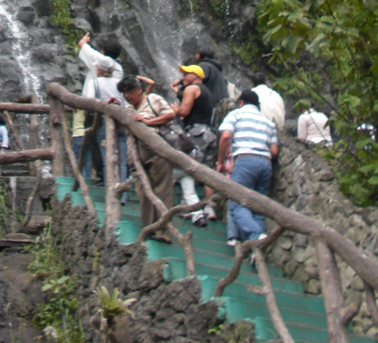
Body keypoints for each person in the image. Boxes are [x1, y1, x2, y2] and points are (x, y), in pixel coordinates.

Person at [217, 89, 278, 244]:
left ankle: (257, 235)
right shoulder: (268, 122)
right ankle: (256, 247)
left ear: (241, 102)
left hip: (245, 161)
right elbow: (274, 151)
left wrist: (220, 162)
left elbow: (225, 136)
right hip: (265, 164)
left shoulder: (237, 114)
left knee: (237, 203)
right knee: (258, 207)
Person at [117, 74, 174, 239]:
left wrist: (148, 122)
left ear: (139, 89)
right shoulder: (128, 109)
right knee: (143, 193)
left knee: (162, 190)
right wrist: (114, 105)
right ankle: (149, 229)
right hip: (135, 156)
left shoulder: (153, 99)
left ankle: (164, 231)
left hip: (157, 151)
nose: (127, 96)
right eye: (124, 93)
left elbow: (170, 114)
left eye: (129, 92)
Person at [78, 32, 127, 188]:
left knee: (98, 144)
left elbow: (81, 45)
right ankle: (118, 183)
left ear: (103, 52)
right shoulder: (118, 69)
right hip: (116, 113)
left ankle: (103, 179)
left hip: (96, 113)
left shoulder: (98, 61)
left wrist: (85, 40)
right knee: (117, 150)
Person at [169, 64, 217, 224]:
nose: (183, 77)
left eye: (186, 74)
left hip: (196, 133)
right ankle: (209, 206)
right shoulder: (207, 92)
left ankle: (188, 208)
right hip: (209, 133)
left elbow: (184, 112)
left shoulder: (191, 89)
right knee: (207, 172)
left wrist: (174, 110)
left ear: (195, 75)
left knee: (186, 167)